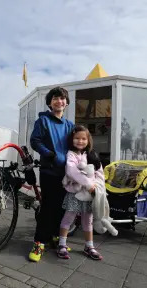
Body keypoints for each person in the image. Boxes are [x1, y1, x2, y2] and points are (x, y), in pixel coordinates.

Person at [28, 87, 74, 262]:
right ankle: (39, 242)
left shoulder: (70, 125)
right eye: (55, 98)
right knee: (47, 207)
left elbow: (77, 144)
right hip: (49, 171)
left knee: (62, 207)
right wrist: (50, 155)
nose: (59, 101)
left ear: (66, 103)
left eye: (62, 99)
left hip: (67, 173)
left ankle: (56, 237)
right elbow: (35, 141)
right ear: (50, 102)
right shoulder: (43, 121)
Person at [57, 125, 103, 260]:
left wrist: (98, 188)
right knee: (68, 218)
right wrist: (88, 184)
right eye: (77, 138)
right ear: (72, 139)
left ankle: (89, 246)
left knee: (88, 220)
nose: (80, 141)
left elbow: (99, 173)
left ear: (88, 140)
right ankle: (62, 244)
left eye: (83, 138)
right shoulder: (71, 154)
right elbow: (71, 171)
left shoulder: (92, 155)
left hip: (89, 195)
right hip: (74, 193)